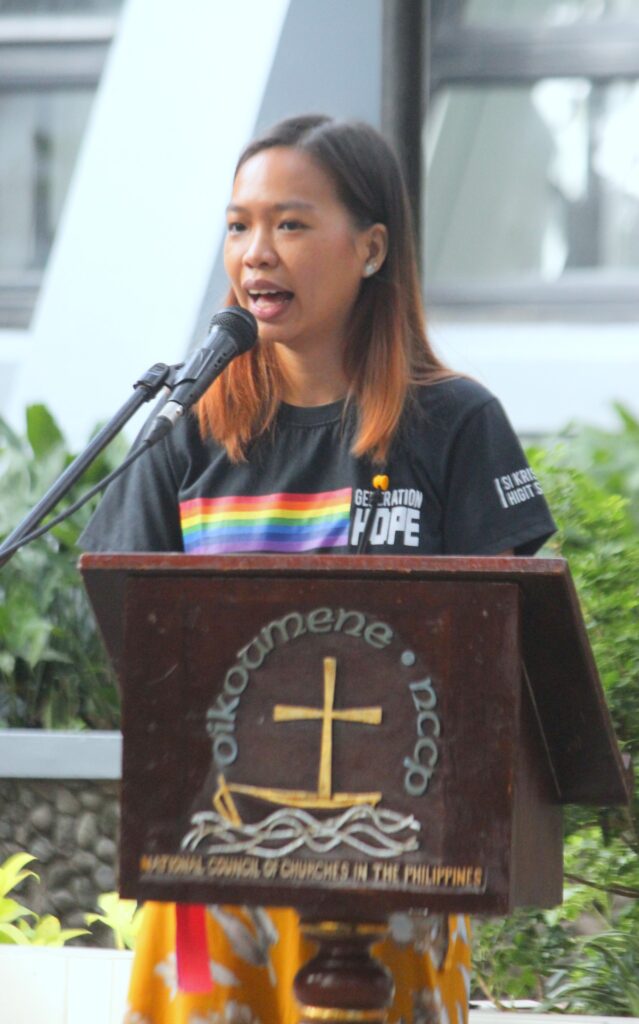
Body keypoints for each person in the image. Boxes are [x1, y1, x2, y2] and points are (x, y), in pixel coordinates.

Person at [82, 115, 556, 1024]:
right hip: (213, 847)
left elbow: (500, 658)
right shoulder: (186, 430)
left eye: (290, 224)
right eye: (238, 225)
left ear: (370, 248)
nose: (255, 253)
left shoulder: (453, 424)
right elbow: (131, 632)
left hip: (402, 856)